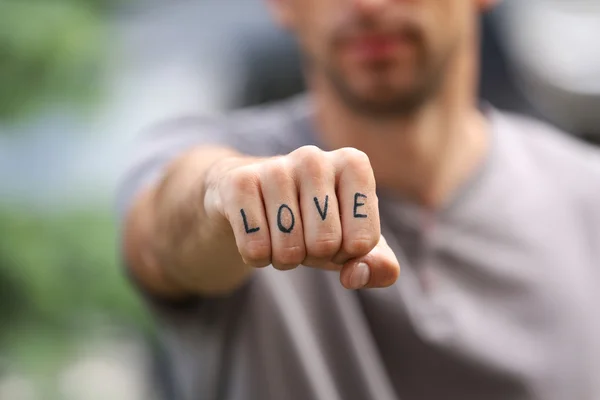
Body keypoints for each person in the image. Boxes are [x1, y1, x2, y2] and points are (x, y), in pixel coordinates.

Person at [117, 0, 600, 399]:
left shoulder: (586, 195)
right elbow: (162, 237)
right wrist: (221, 196)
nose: (367, 6)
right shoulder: (217, 156)